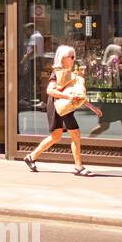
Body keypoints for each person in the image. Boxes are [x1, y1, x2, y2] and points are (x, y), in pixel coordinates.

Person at [23, 44, 103, 177]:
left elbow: (77, 94)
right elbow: (50, 90)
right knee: (74, 134)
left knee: (56, 136)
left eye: (73, 56)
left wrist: (93, 107)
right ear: (63, 58)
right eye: (70, 57)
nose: (73, 59)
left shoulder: (70, 73)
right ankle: (78, 166)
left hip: (65, 106)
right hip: (57, 106)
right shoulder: (57, 72)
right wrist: (68, 96)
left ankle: (31, 157)